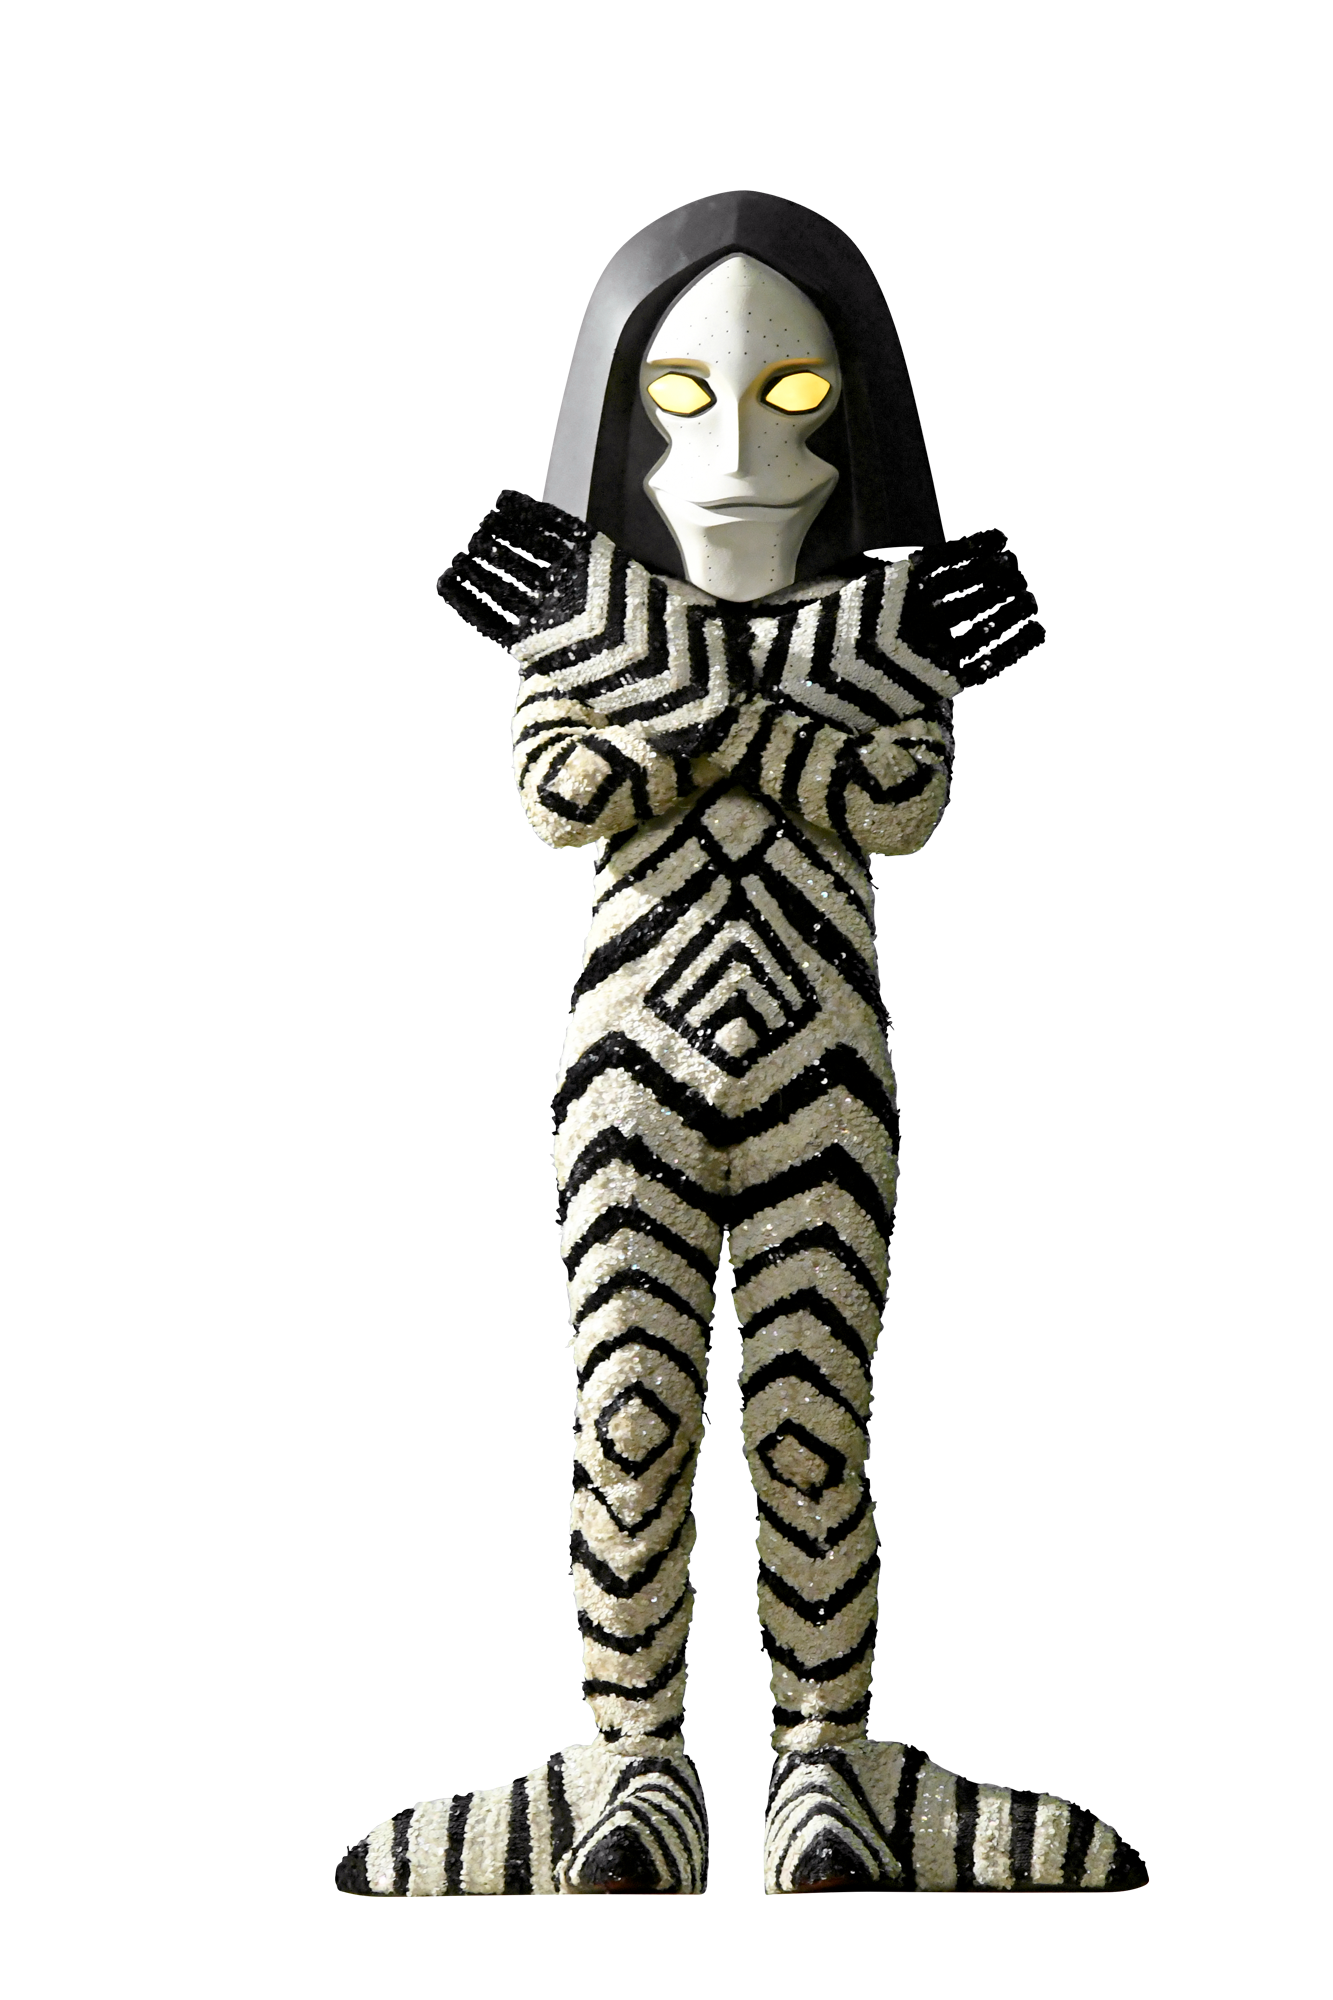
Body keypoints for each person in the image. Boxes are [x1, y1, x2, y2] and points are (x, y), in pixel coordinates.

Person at [341, 193, 1140, 1897]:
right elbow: (567, 790)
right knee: (627, 1407)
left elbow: (893, 794)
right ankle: (627, 1757)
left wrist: (704, 702)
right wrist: (758, 698)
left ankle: (826, 1760)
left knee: (814, 1412)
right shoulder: (608, 627)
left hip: (820, 1079)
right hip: (632, 1073)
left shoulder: (830, 638)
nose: (735, 453)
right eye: (684, 398)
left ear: (858, 413)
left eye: (792, 395)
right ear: (619, 411)